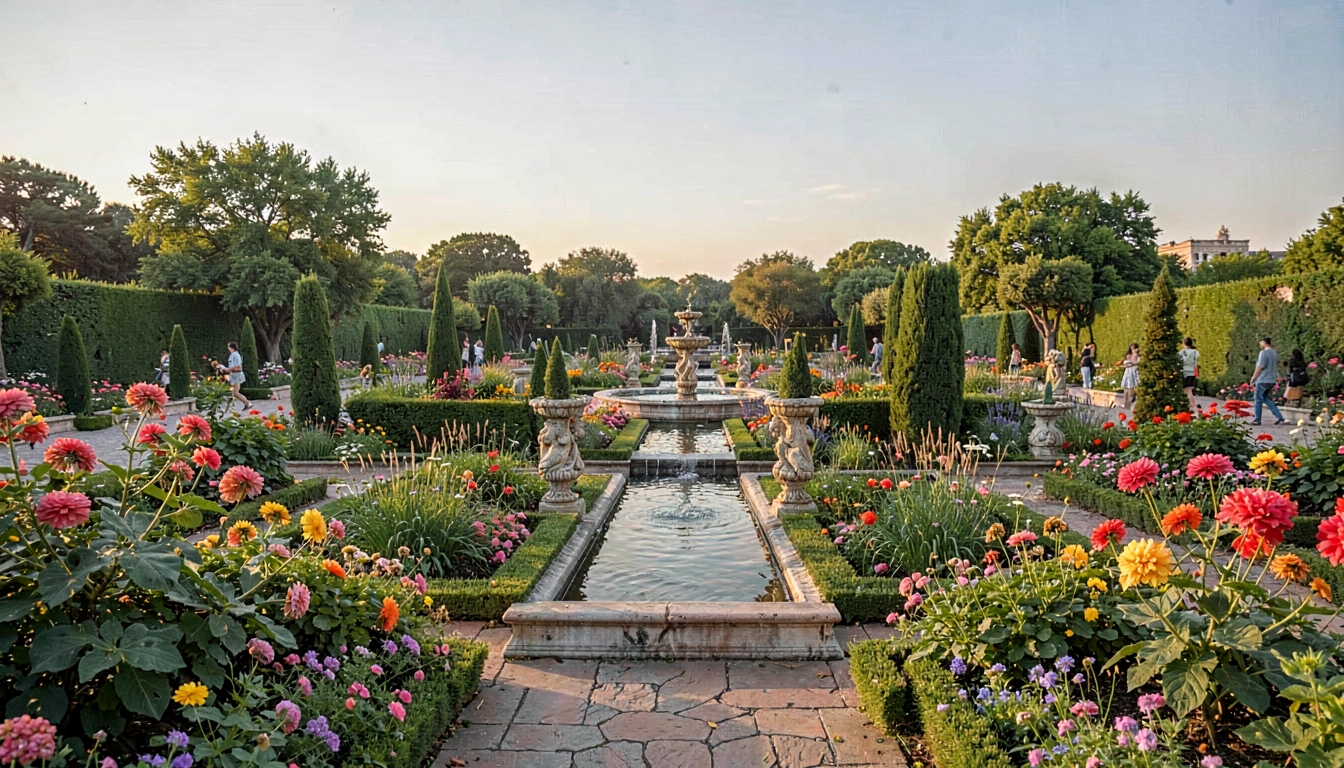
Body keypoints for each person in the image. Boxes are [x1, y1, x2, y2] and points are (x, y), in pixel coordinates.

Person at [1250, 337, 1285, 426]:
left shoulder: (1263, 353)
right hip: (1272, 379)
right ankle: (1279, 417)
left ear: (1264, 343)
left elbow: (1260, 367)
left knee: (1258, 399)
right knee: (1265, 398)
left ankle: (1257, 419)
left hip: (1263, 379)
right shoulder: (1274, 354)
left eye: (1261, 342)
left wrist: (1253, 378)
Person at [214, 342, 250, 410]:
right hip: (235, 375)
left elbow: (237, 367)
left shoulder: (234, 355)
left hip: (236, 375)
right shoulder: (236, 355)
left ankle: (247, 403)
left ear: (230, 347)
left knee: (235, 393)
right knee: (234, 393)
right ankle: (235, 406)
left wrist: (226, 369)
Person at [1179, 337, 1200, 412]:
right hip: (1191, 371)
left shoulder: (1182, 352)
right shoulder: (1195, 352)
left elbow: (1179, 361)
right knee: (1189, 389)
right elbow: (1196, 363)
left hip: (1184, 371)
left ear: (1183, 343)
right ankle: (1193, 405)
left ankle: (1190, 405)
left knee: (1186, 390)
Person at [1120, 343, 1140, 409]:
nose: (1133, 350)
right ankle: (1126, 403)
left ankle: (1129, 403)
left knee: (1131, 386)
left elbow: (1134, 363)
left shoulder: (1135, 355)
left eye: (1133, 348)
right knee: (1126, 387)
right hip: (1128, 371)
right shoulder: (1129, 355)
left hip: (1132, 371)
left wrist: (1129, 363)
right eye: (1131, 349)